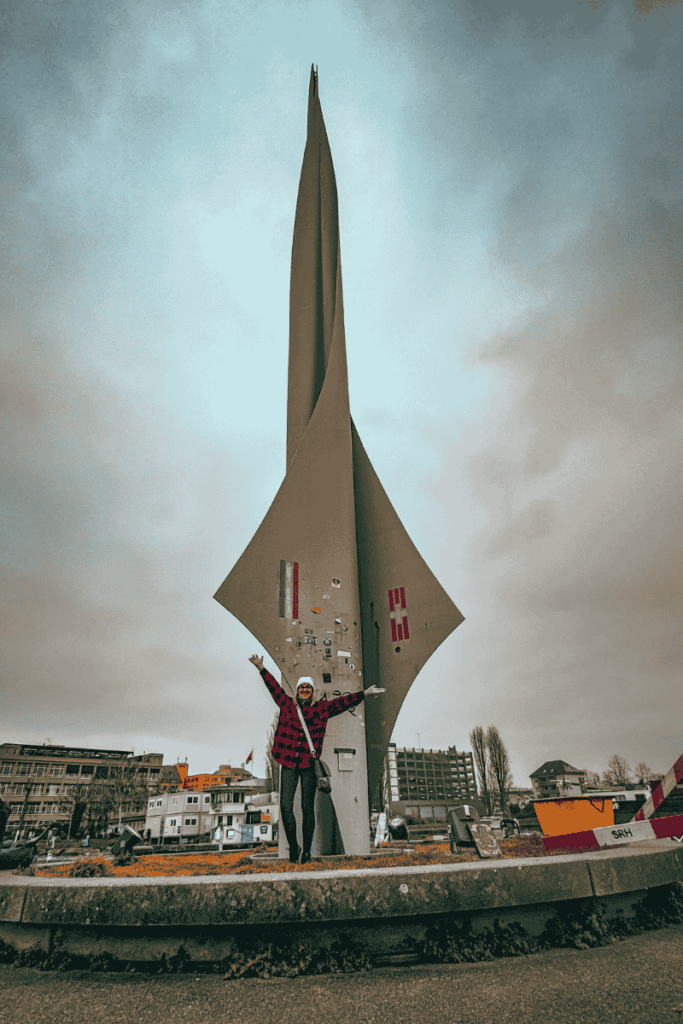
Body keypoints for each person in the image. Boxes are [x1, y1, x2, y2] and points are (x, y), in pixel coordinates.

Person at [249, 654, 384, 864]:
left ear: (312, 692)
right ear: (297, 691)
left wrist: (364, 694)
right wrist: (261, 668)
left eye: (308, 688)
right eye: (301, 687)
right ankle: (294, 847)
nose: (304, 690)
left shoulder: (322, 709)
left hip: (308, 764)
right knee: (285, 806)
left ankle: (306, 852)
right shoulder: (287, 705)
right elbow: (274, 688)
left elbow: (342, 702)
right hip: (288, 762)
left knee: (307, 808)